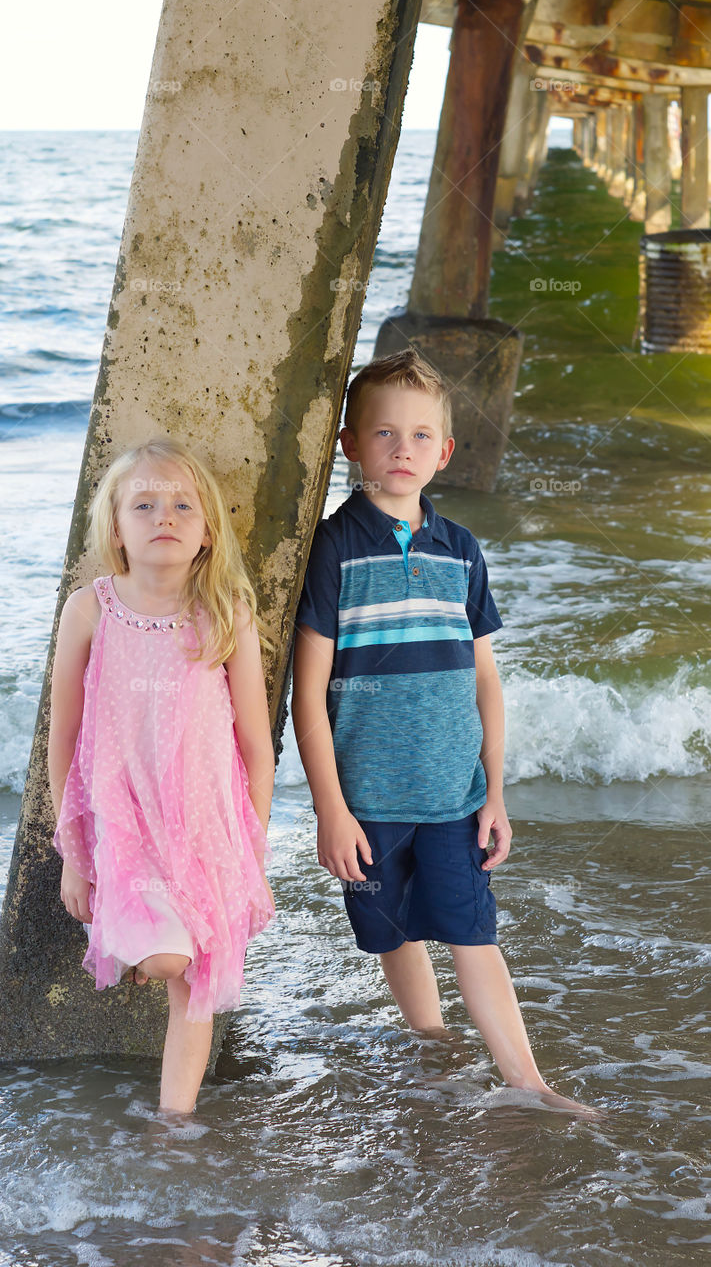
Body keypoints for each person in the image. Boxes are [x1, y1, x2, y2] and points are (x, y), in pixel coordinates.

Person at [292, 349, 595, 1114]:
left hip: (455, 793)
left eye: (421, 435)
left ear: (445, 451)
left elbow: (484, 682)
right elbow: (307, 692)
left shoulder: (460, 550)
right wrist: (331, 808)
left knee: (473, 933)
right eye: (385, 433)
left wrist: (494, 794)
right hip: (369, 799)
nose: (403, 449)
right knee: (395, 934)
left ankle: (526, 1080)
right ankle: (431, 1042)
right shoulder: (334, 548)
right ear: (349, 443)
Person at [48, 437, 276, 1115]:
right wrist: (73, 854)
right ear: (115, 530)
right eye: (143, 505)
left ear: (207, 531)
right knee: (166, 962)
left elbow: (255, 746)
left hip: (206, 824)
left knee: (193, 978)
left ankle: (173, 1122)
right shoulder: (89, 610)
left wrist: (250, 849)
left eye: (182, 504)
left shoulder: (224, 613)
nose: (164, 516)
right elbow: (63, 735)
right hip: (123, 822)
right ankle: (143, 946)